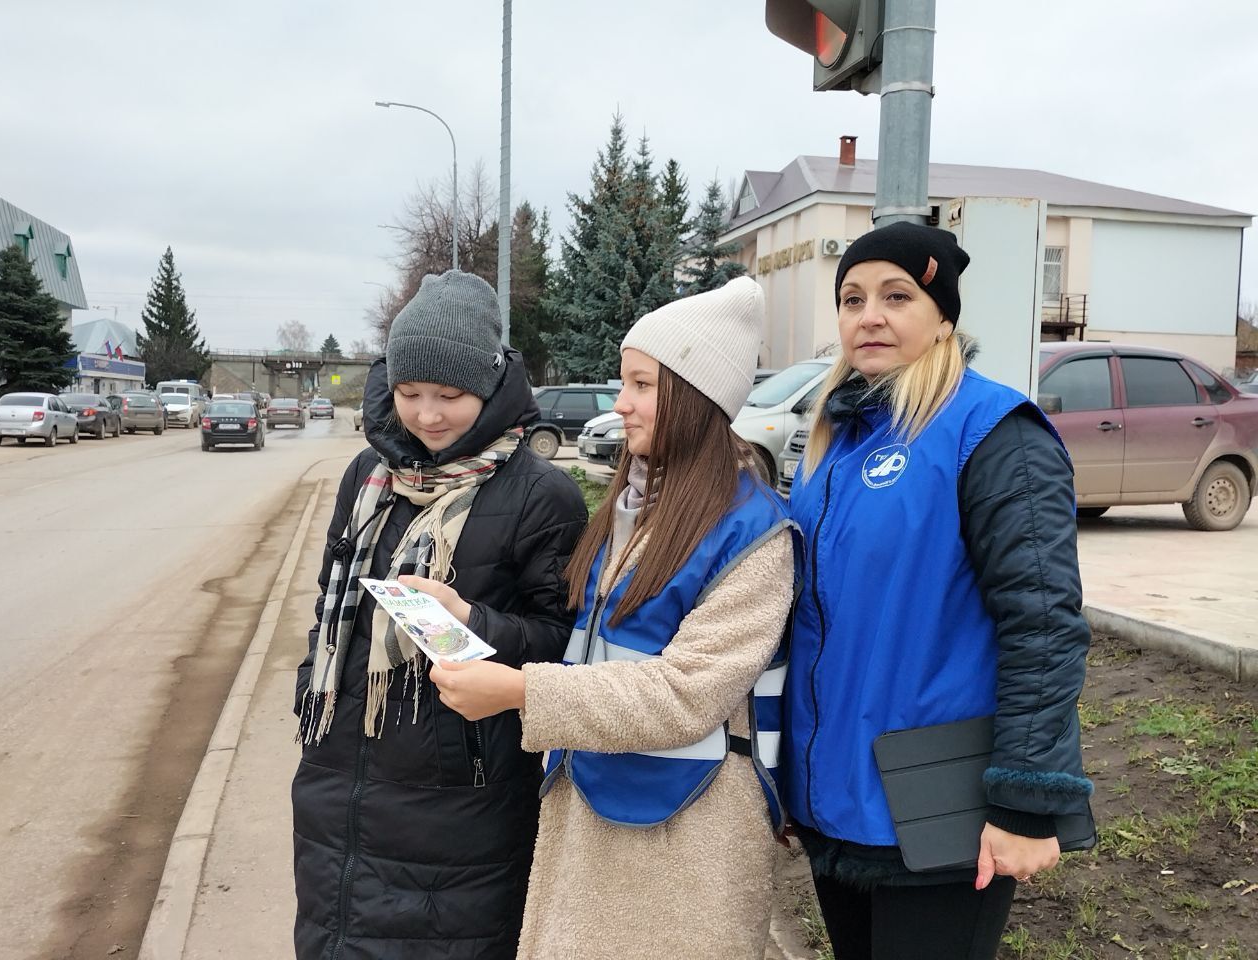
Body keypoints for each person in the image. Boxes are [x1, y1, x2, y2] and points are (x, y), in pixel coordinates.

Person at [430, 277, 798, 960]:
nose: (620, 403)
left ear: (696, 397)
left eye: (641, 385)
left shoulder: (756, 535)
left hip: (690, 836)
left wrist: (518, 692)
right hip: (597, 809)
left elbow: (686, 694)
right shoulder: (637, 506)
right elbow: (592, 648)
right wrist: (469, 618)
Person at [784, 222, 1092, 960]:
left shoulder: (990, 431)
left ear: (943, 314)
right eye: (852, 298)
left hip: (941, 804)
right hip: (836, 796)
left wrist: (1027, 799)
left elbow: (1044, 623)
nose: (870, 315)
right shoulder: (835, 440)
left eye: (897, 295)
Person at [290, 270, 588, 960]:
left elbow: (565, 645)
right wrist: (313, 681)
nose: (426, 415)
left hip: (461, 802)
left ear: (488, 387)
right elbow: (332, 597)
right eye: (409, 392)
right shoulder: (368, 475)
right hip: (338, 777)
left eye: (448, 395)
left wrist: (473, 619)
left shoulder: (542, 494)